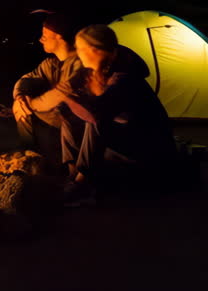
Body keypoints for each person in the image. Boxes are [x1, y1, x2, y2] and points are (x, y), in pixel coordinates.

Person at [59, 24, 176, 206]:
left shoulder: (124, 78)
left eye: (82, 49)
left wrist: (65, 97)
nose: (78, 53)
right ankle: (74, 175)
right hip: (129, 135)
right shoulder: (102, 72)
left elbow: (97, 113)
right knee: (70, 119)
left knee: (96, 122)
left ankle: (83, 185)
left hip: (148, 146)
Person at [11, 13, 81, 160]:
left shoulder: (79, 64)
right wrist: (20, 96)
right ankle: (30, 155)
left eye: (45, 35)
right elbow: (26, 79)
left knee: (23, 110)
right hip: (54, 122)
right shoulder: (51, 64)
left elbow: (64, 102)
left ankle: (34, 158)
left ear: (59, 37)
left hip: (74, 128)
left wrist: (28, 105)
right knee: (21, 105)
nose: (40, 39)